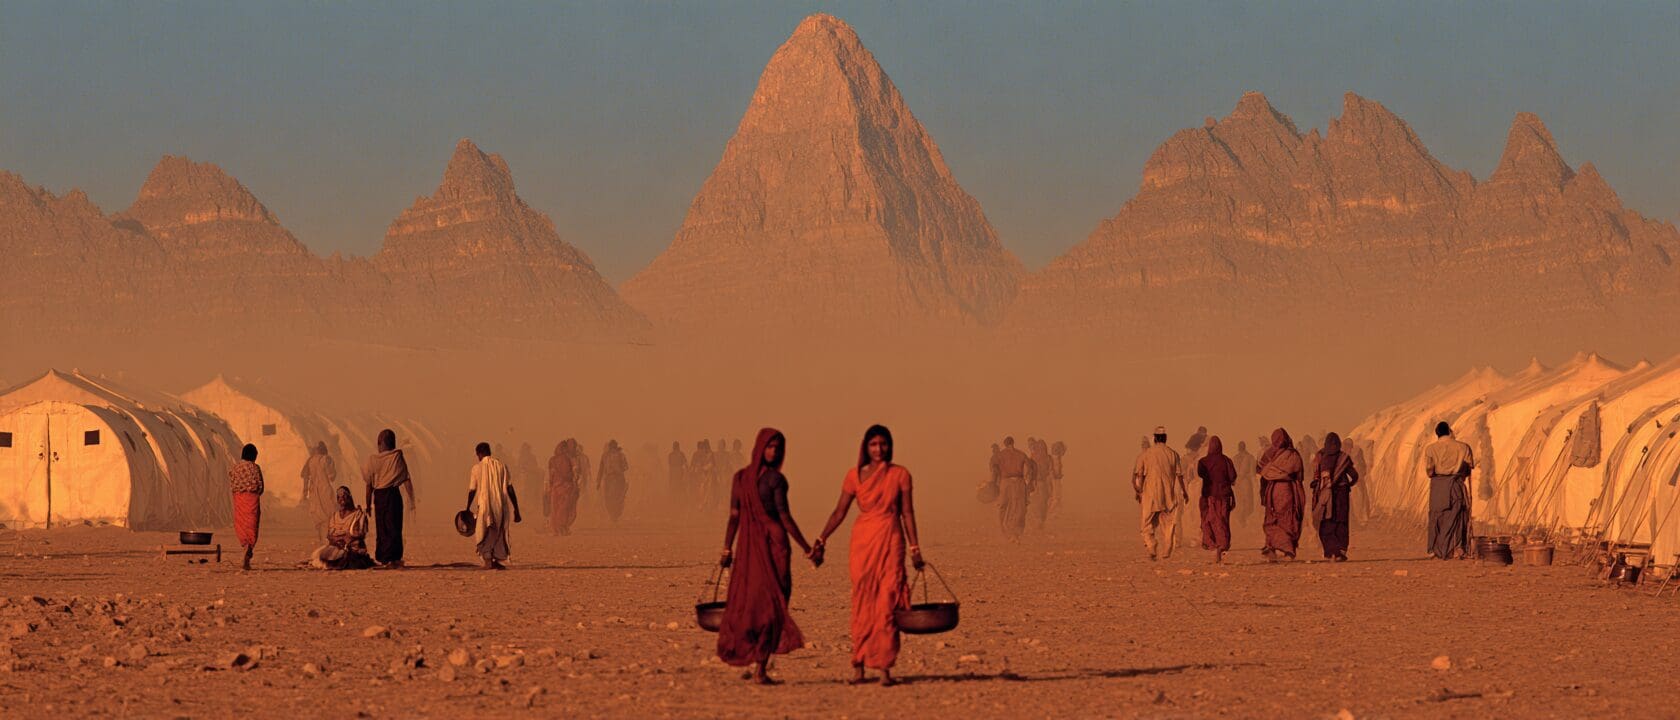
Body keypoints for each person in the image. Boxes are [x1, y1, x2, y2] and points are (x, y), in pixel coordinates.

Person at [813, 425, 924, 687]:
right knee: (862, 603)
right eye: (873, 444)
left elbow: (907, 513)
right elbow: (839, 512)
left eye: (883, 444)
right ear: (866, 447)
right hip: (862, 543)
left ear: (890, 446)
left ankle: (884, 667)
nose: (879, 449)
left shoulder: (900, 475)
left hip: (891, 539)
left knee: (887, 602)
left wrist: (915, 548)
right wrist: (821, 539)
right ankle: (859, 666)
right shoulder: (854, 476)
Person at [717, 428, 816, 684]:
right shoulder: (744, 479)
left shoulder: (772, 480)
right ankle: (760, 666)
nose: (774, 452)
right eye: (770, 446)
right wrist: (727, 548)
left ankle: (760, 664)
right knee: (763, 605)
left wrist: (805, 547)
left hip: (774, 546)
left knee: (772, 601)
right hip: (753, 546)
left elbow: (784, 517)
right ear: (760, 447)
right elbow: (735, 516)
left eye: (778, 448)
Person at [362, 429, 416, 568]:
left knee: (383, 527)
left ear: (381, 443)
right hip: (392, 496)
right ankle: (391, 558)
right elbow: (406, 479)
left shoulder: (373, 460)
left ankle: (386, 558)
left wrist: (368, 505)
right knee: (393, 526)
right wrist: (412, 500)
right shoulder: (397, 456)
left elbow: (369, 485)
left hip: (380, 496)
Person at [1132, 426, 1187, 561]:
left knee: (1146, 523)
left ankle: (1151, 545)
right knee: (1168, 522)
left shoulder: (1145, 454)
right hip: (1168, 494)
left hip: (1150, 493)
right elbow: (1179, 474)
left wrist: (1138, 491)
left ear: (1155, 438)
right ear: (1165, 439)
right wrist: (1184, 491)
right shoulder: (1173, 454)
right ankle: (1167, 549)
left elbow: (1139, 475)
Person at [1425, 421, 1474, 560]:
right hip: (1455, 484)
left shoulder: (1430, 449)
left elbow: (1429, 470)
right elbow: (1469, 466)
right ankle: (1456, 548)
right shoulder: (1463, 447)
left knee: (1437, 516)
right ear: (1449, 430)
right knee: (1457, 516)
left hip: (1438, 486)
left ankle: (1435, 549)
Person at [467, 443, 521, 569]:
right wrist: (516, 509)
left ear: (479, 454)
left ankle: (488, 560)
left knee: (483, 532)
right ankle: (493, 558)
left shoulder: (476, 468)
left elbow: (472, 490)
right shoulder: (502, 466)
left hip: (484, 506)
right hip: (500, 506)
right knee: (497, 531)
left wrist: (467, 507)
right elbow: (510, 488)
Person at [1257, 428, 1306, 561]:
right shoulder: (1294, 455)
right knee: (1288, 519)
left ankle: (1275, 547)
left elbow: (1261, 471)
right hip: (1288, 490)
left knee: (1273, 519)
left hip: (1273, 491)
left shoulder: (1269, 454)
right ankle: (1287, 549)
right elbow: (1300, 476)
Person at [1311, 432, 1359, 562]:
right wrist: (1348, 484)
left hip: (1325, 494)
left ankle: (1330, 551)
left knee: (1326, 521)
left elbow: (1315, 476)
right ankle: (1340, 551)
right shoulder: (1344, 458)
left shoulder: (1320, 456)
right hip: (1341, 494)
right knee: (1341, 521)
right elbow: (1354, 475)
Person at [310, 486, 375, 570]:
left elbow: (360, 535)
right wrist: (335, 540)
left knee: (347, 560)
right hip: (336, 547)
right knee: (320, 556)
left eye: (345, 496)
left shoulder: (359, 515)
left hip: (352, 550)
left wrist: (345, 540)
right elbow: (330, 535)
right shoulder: (335, 516)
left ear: (350, 497)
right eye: (339, 497)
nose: (342, 499)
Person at [1196, 436, 1237, 563]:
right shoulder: (1227, 461)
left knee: (1209, 520)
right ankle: (1221, 545)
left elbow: (1201, 474)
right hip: (1223, 496)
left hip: (1208, 495)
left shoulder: (1203, 462)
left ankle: (1213, 545)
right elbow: (1232, 477)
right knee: (1222, 520)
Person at [228, 443, 265, 571]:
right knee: (252, 523)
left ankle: (245, 544)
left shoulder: (235, 468)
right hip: (252, 498)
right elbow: (261, 486)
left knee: (241, 522)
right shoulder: (255, 468)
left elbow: (232, 483)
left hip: (239, 498)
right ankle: (249, 546)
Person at [991, 436, 1033, 541]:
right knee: (1019, 507)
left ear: (1005, 444)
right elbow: (1030, 469)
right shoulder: (1021, 454)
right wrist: (1028, 482)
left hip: (1005, 483)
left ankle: (1004, 530)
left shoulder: (1000, 455)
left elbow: (994, 469)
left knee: (1003, 506)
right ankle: (1015, 533)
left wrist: (994, 483)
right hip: (1019, 482)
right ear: (1013, 443)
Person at [299, 441, 337, 542]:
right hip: (325, 490)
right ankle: (329, 538)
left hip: (313, 492)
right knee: (330, 514)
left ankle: (321, 539)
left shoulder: (310, 460)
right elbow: (332, 476)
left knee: (318, 517)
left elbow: (305, 476)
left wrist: (304, 493)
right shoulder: (326, 459)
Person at [547, 440, 581, 535]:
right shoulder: (569, 459)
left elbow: (551, 475)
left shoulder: (552, 460)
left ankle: (557, 528)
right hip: (565, 487)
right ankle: (561, 527)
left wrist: (550, 486)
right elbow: (573, 474)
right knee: (564, 508)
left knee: (555, 508)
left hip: (555, 487)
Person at [598, 440, 630, 523]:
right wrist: (598, 481)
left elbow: (626, 467)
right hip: (608, 479)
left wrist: (617, 469)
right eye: (611, 446)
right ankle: (612, 514)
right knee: (608, 498)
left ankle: (615, 515)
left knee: (618, 497)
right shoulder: (605, 456)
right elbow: (601, 468)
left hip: (619, 479)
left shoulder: (621, 455)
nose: (612, 448)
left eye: (613, 446)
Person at [1028, 437, 1055, 530]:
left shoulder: (1042, 458)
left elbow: (1051, 472)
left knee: (1041, 502)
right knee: (1040, 502)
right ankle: (1040, 520)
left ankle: (1040, 520)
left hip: (1042, 483)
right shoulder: (1036, 457)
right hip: (1039, 483)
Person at [1231, 441, 1258, 528]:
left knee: (1240, 501)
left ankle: (1242, 520)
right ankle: (1243, 520)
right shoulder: (1250, 457)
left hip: (1237, 482)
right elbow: (1252, 473)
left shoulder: (1234, 458)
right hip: (1245, 482)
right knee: (1247, 501)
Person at [667, 441, 689, 506]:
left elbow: (670, 465)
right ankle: (679, 502)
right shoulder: (681, 454)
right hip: (679, 472)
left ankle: (675, 502)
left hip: (673, 472)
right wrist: (687, 471)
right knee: (680, 487)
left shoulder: (670, 455)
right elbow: (685, 463)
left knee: (674, 487)